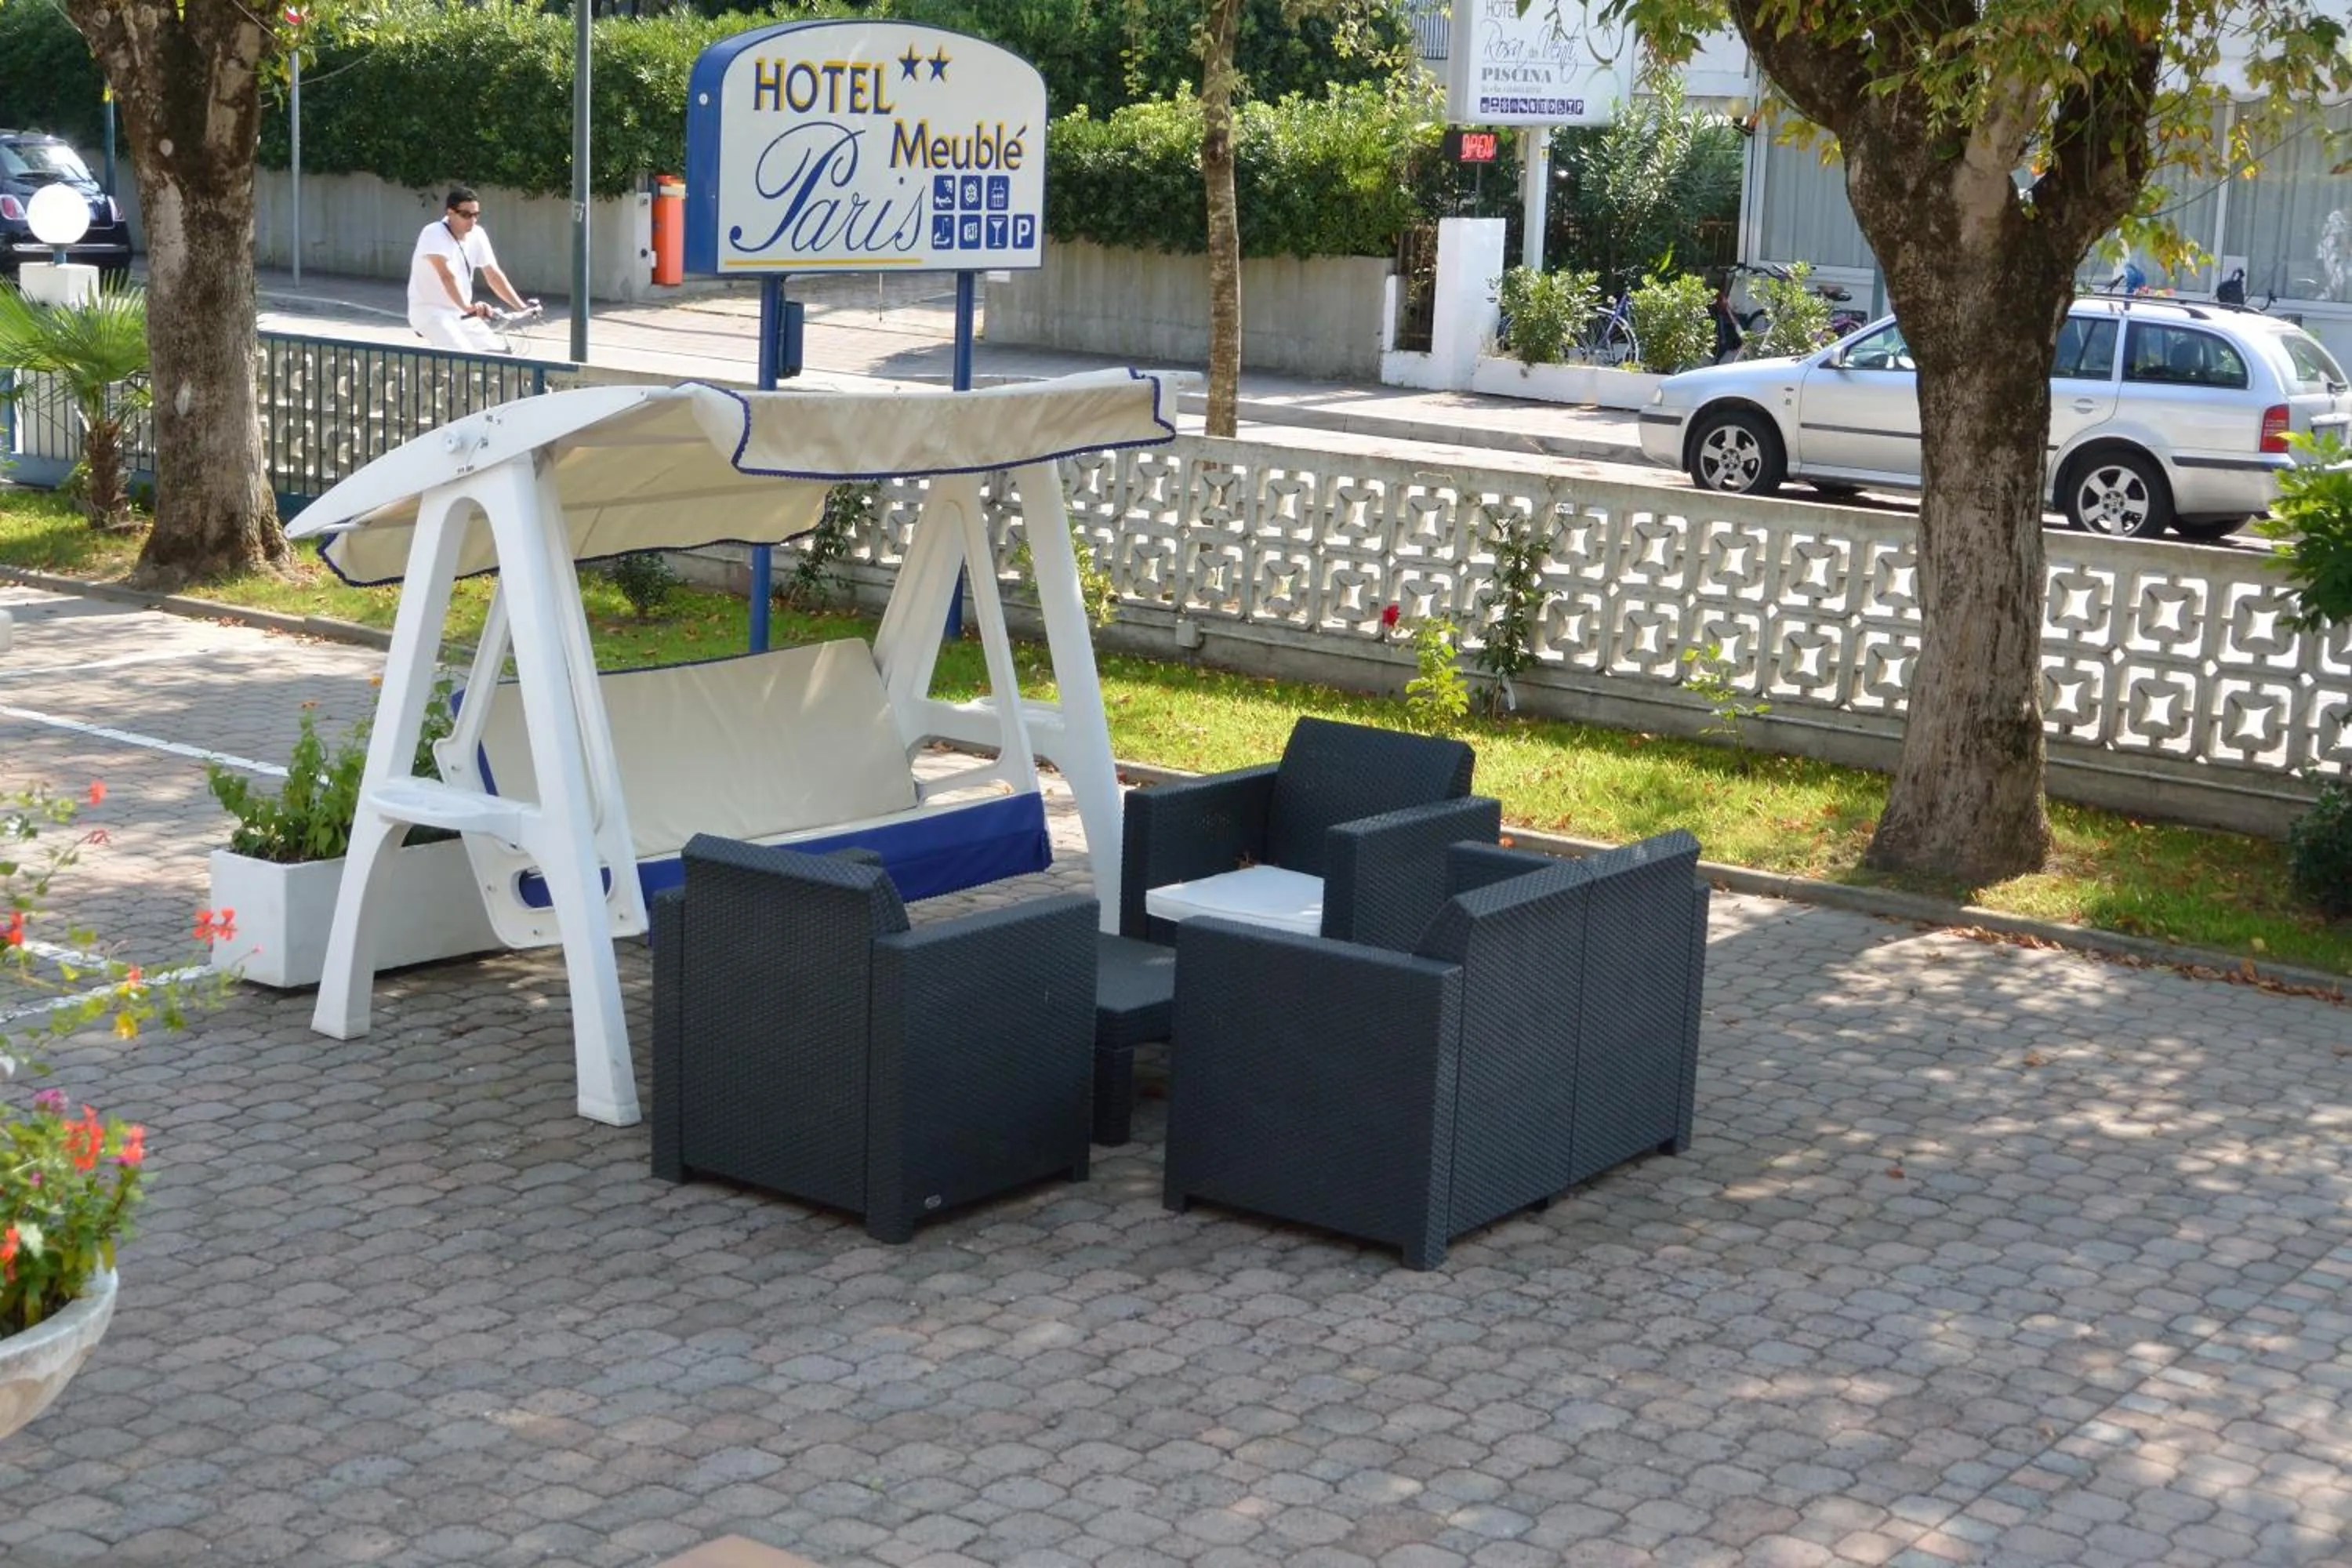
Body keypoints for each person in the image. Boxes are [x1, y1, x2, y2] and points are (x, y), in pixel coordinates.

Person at [407, 186, 533, 352]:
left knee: (497, 356)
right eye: (466, 215)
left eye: (476, 215)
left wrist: (522, 308)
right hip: (430, 312)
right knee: (465, 357)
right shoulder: (433, 233)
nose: (472, 220)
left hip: (462, 313)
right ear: (450, 213)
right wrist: (468, 306)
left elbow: (493, 275)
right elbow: (447, 276)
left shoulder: (478, 234)